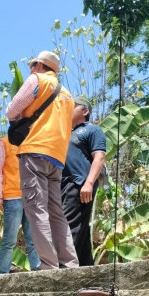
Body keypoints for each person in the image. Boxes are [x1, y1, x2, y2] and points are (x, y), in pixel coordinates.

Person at [5, 51, 78, 269]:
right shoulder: (67, 94)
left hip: (34, 150)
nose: (30, 69)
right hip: (56, 157)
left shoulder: (36, 80)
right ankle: (70, 263)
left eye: (32, 65)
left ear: (39, 65)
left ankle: (49, 265)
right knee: (57, 212)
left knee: (36, 209)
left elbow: (11, 111)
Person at [61, 97, 106, 266]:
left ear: (85, 111)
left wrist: (88, 183)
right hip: (62, 184)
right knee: (80, 227)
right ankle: (87, 266)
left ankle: (63, 267)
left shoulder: (92, 130)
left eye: (72, 107)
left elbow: (99, 157)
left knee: (67, 226)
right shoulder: (64, 133)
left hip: (79, 183)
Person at [0, 137, 42, 273]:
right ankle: (3, 272)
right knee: (10, 239)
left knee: (33, 238)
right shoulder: (3, 143)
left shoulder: (31, 143)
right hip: (11, 197)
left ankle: (36, 267)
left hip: (30, 196)